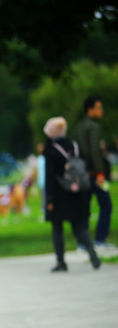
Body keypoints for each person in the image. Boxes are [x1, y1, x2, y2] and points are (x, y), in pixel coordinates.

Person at [43, 117, 101, 272]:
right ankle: (93, 255)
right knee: (79, 228)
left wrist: (49, 199)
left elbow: (50, 177)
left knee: (57, 228)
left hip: (58, 194)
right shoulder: (74, 146)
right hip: (76, 192)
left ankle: (61, 262)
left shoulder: (51, 150)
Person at [72, 96, 113, 249]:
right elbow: (95, 151)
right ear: (90, 109)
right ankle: (100, 240)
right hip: (95, 174)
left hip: (81, 174)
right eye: (99, 107)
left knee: (84, 208)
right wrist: (100, 172)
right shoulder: (93, 127)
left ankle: (82, 242)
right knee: (106, 205)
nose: (102, 111)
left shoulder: (78, 127)